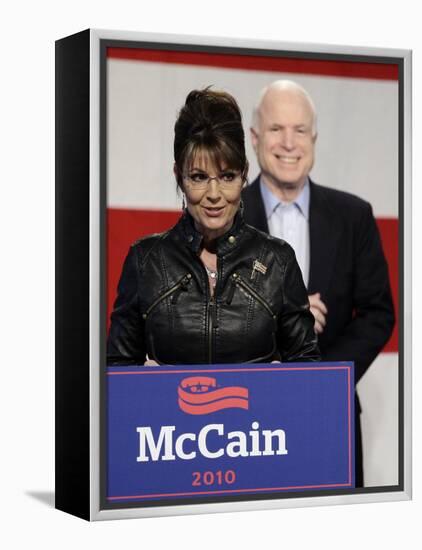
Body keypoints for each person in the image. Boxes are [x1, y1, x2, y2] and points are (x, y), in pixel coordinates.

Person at [242, 79, 395, 485]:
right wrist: (281, 313)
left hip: (332, 415)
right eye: (276, 129)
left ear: (315, 138)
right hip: (243, 421)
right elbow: (201, 313)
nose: (289, 142)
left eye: (300, 130)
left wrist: (324, 379)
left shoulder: (354, 216)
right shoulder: (225, 218)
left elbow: (379, 314)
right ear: (255, 138)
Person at [107, 88, 320, 368]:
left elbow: (309, 376)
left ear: (244, 174)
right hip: (167, 414)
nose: (214, 194)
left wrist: (279, 382)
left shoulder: (277, 261)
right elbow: (116, 377)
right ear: (179, 176)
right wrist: (142, 381)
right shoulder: (145, 261)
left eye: (227, 176)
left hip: (256, 414)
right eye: (198, 177)